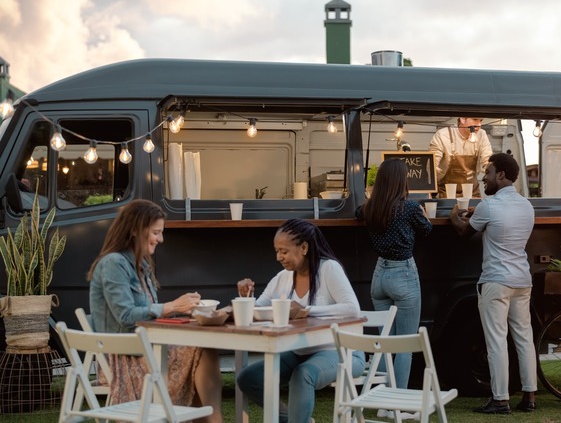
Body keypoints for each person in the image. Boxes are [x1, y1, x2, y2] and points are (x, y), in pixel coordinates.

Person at [87, 199, 222, 423]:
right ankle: (215, 421)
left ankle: (212, 420)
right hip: (124, 358)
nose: (161, 239)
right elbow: (126, 316)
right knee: (201, 351)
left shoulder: (141, 265)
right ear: (134, 230)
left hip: (146, 349)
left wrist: (183, 310)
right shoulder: (113, 263)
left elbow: (149, 314)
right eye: (156, 232)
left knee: (202, 348)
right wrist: (171, 307)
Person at [235, 218, 365, 423]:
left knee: (302, 374)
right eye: (276, 251)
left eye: (284, 251)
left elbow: (353, 308)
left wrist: (307, 310)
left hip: (342, 351)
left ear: (303, 247)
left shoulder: (329, 269)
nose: (278, 257)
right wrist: (247, 297)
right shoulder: (283, 278)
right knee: (248, 377)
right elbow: (260, 309)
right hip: (300, 350)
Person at [449, 152, 537, 414]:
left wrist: (455, 213)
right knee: (524, 338)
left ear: (500, 175)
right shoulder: (527, 206)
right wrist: (480, 211)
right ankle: (529, 397)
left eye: (487, 173)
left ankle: (500, 400)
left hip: (496, 280)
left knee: (496, 340)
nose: (483, 178)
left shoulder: (489, 205)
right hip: (522, 279)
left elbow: (465, 232)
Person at [355, 159, 432, 391]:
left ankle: (380, 397)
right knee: (404, 345)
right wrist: (422, 211)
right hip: (404, 275)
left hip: (379, 276)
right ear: (402, 181)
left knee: (385, 343)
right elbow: (427, 229)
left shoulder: (370, 208)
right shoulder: (409, 208)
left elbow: (358, 212)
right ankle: (395, 404)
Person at [428, 117, 493, 198]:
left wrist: (492, 172)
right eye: (475, 119)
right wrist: (429, 189)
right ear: (462, 119)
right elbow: (431, 166)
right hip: (447, 194)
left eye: (481, 120)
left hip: (472, 193)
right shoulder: (443, 135)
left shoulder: (481, 134)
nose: (479, 124)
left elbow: (488, 159)